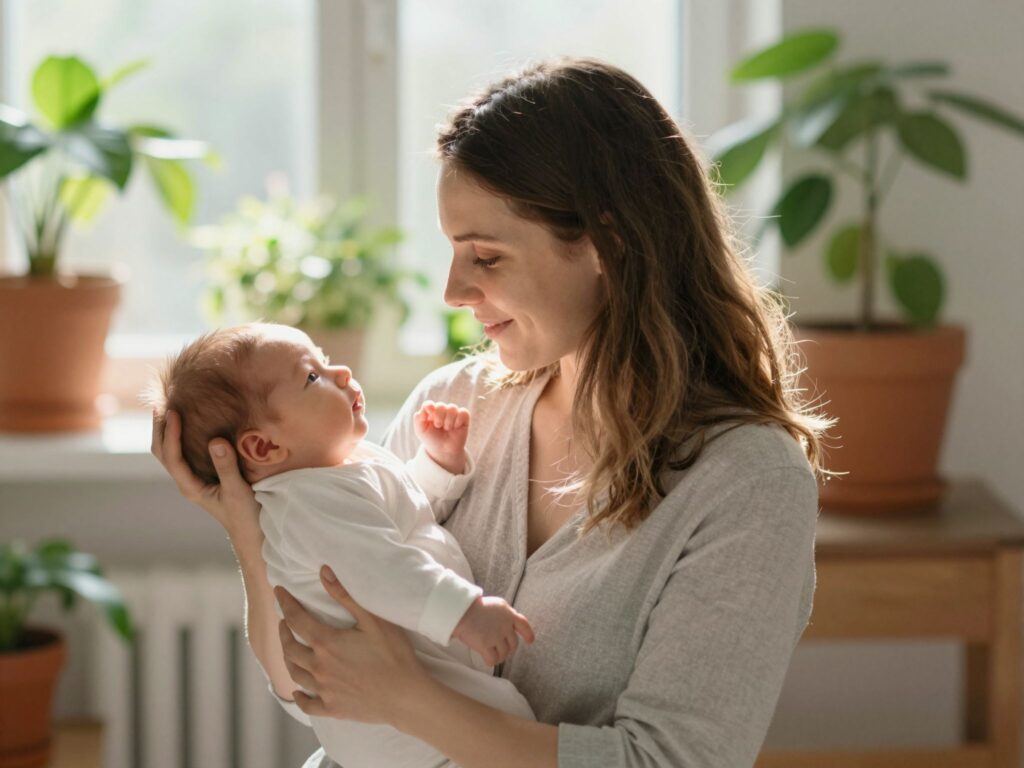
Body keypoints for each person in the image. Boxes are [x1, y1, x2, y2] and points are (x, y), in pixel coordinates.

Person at [153, 56, 831, 767]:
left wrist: (411, 700)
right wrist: (251, 528)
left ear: (609, 241)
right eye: (453, 251)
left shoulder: (745, 483)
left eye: (486, 256)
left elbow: (669, 762)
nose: (453, 290)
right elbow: (309, 688)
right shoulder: (452, 406)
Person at [149, 322, 535, 768]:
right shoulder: (307, 505)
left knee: (506, 725)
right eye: (312, 377)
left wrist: (436, 463)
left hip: (403, 707)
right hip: (398, 736)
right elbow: (384, 570)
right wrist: (464, 613)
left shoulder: (340, 469)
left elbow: (399, 516)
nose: (343, 374)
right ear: (263, 445)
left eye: (326, 359)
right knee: (509, 727)